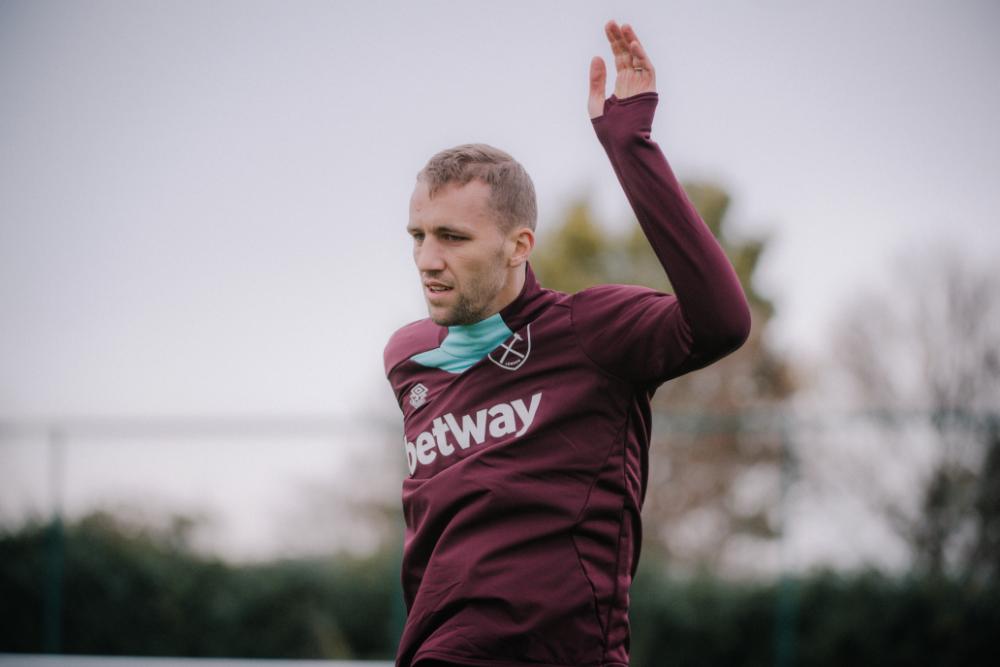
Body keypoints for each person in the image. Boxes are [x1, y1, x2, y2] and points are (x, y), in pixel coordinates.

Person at [383, 19, 751, 667]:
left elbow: (722, 322)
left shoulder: (594, 334)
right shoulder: (409, 358)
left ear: (519, 245)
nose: (427, 258)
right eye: (418, 235)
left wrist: (631, 148)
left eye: (453, 236)